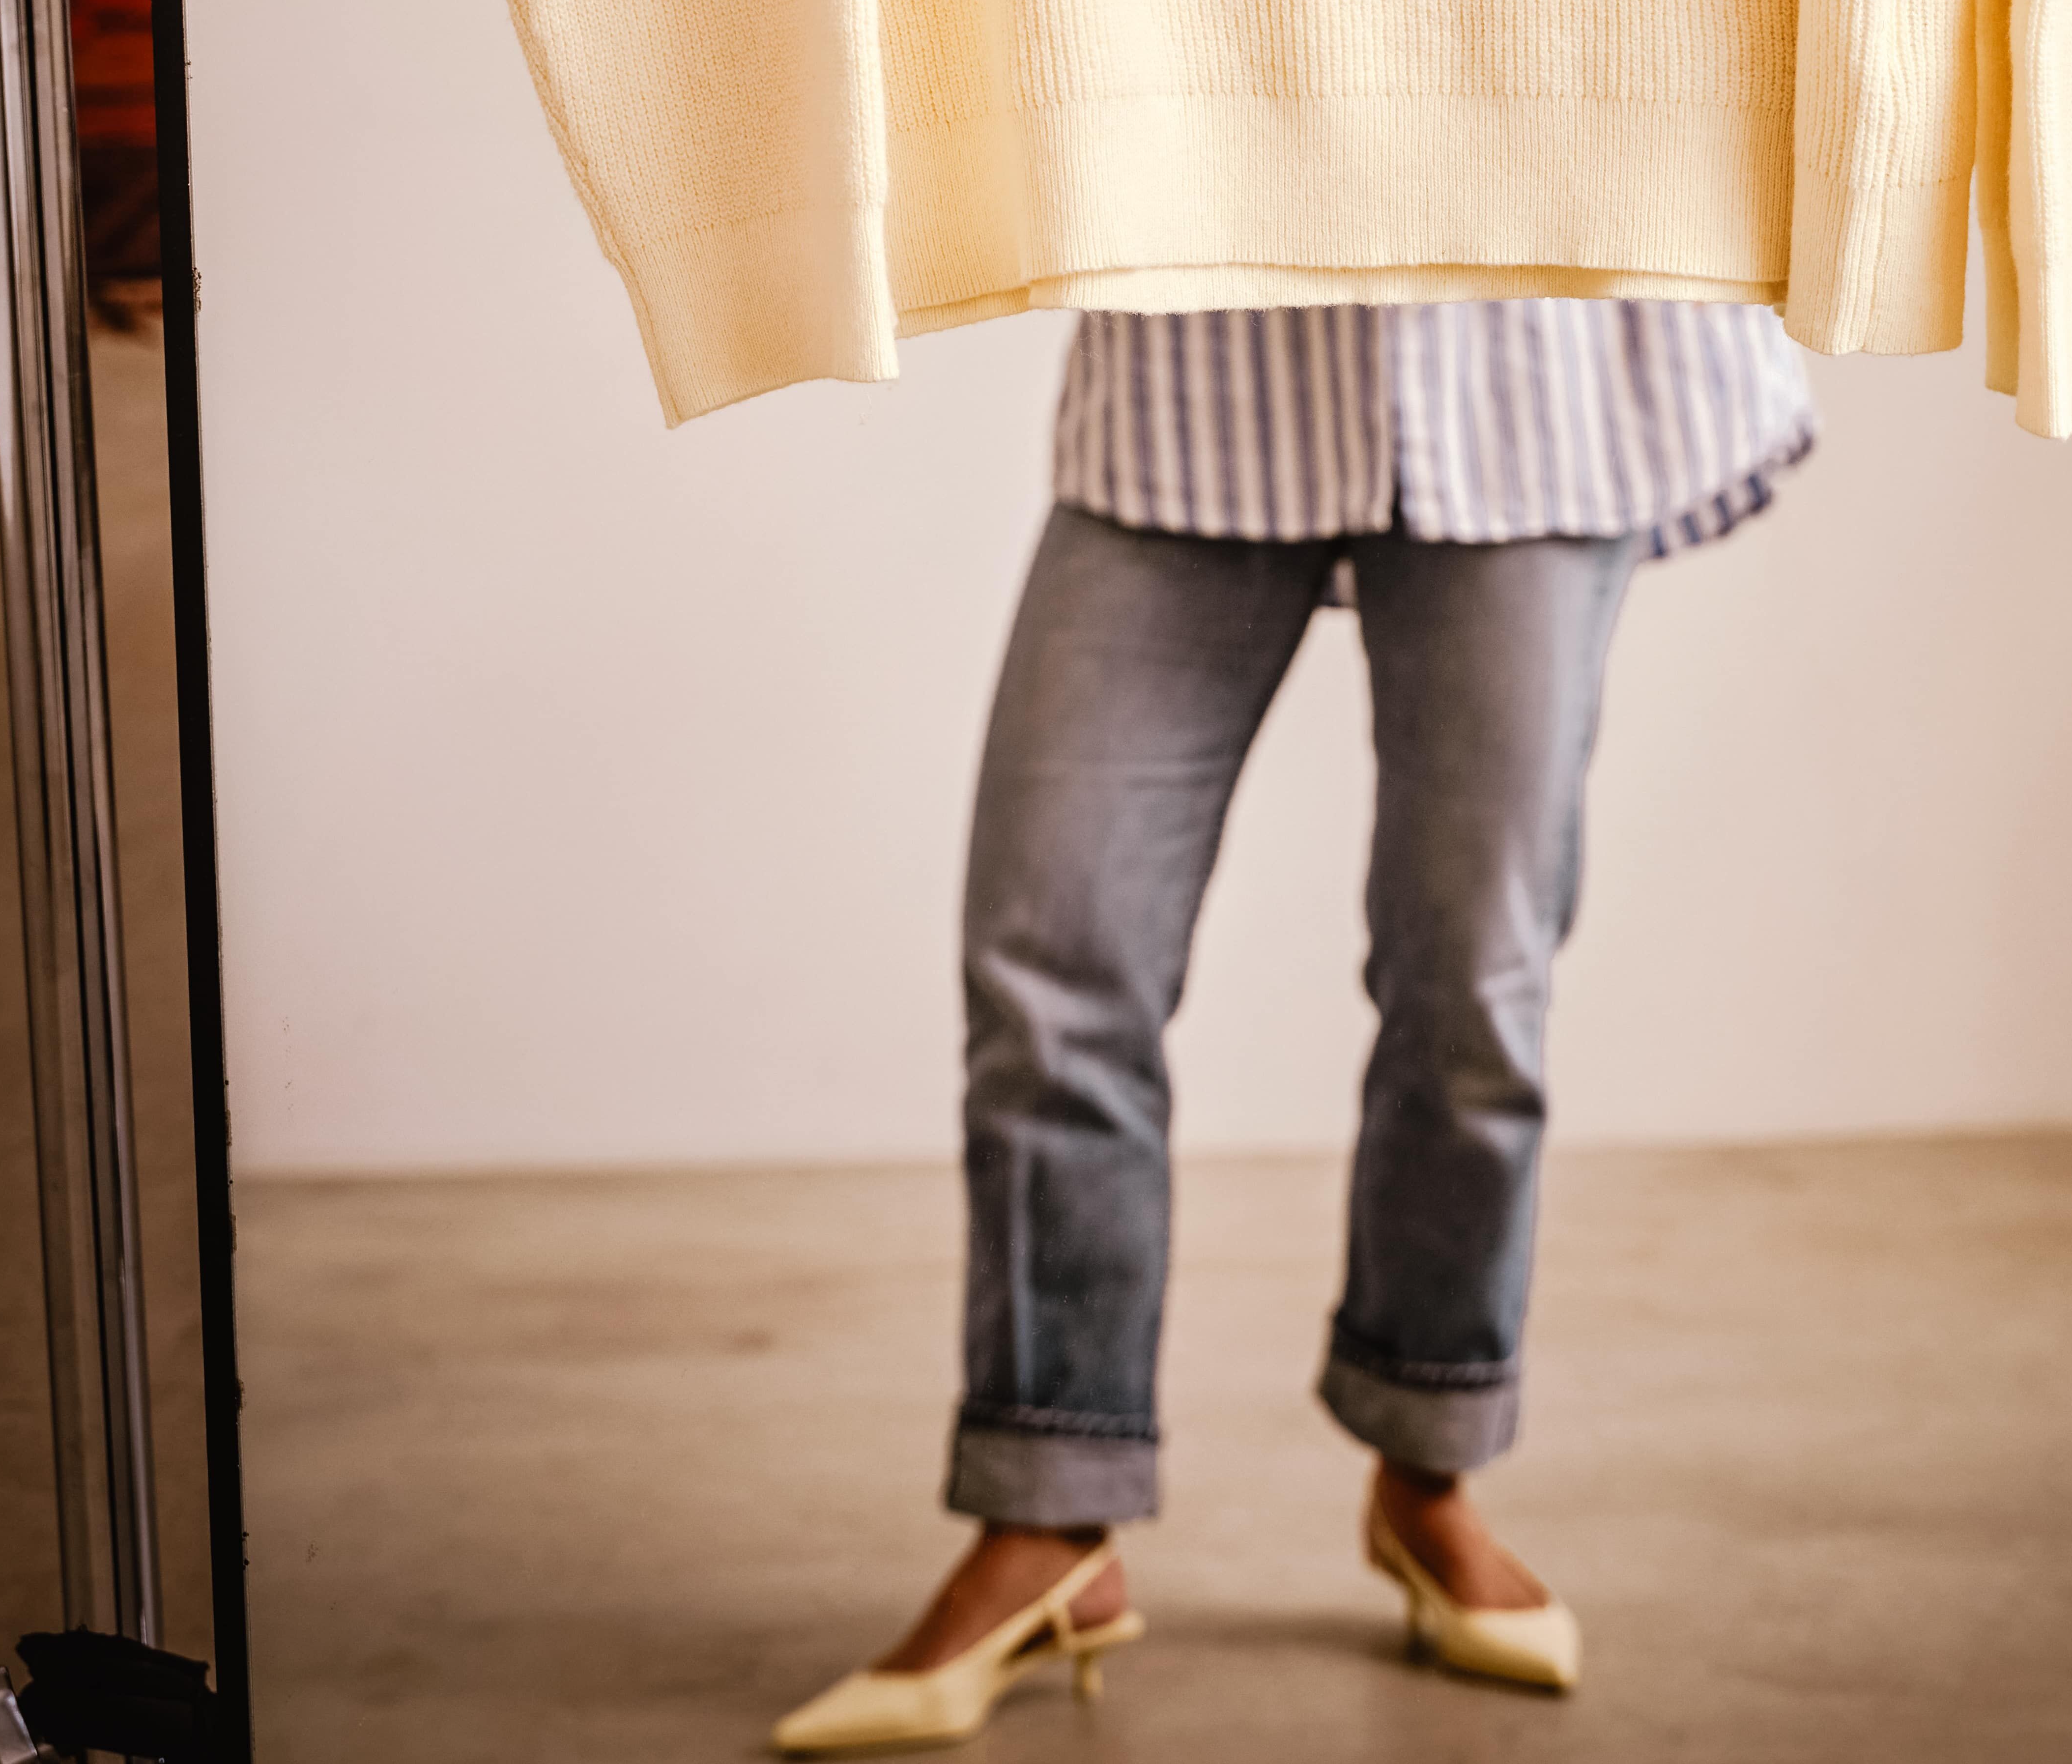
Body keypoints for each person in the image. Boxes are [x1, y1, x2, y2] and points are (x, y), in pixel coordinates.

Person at [772, 296, 1814, 1753]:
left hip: (1534, 376)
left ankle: (1428, 1467)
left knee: (1474, 986)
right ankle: (1047, 1513)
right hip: (1203, 364)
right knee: (1053, 964)